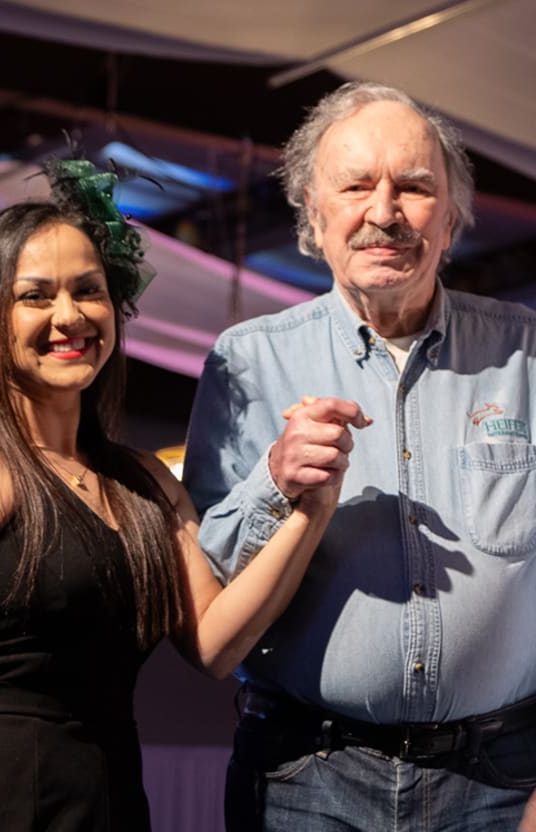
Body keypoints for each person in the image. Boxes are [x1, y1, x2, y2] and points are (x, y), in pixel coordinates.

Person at [0, 158, 371, 831]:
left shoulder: (143, 481)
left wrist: (310, 510)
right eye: (36, 296)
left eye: (88, 291)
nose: (69, 316)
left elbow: (215, 645)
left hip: (110, 803)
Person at [183, 81, 536, 832]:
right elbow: (207, 599)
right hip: (306, 777)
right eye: (355, 187)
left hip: (504, 780)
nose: (384, 212)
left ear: (451, 218)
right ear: (313, 216)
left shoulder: (527, 354)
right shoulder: (246, 362)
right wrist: (273, 484)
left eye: (414, 187)